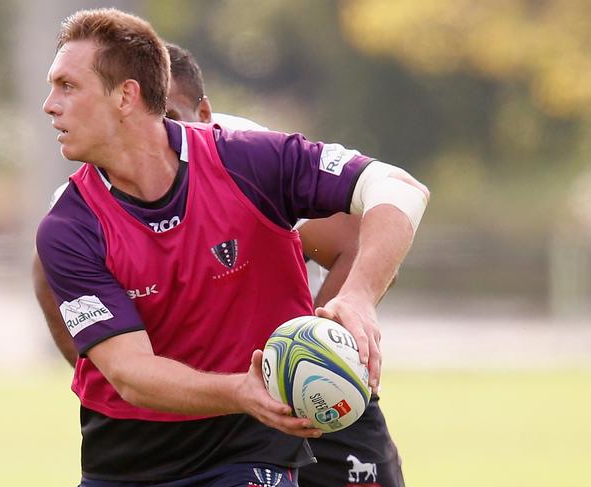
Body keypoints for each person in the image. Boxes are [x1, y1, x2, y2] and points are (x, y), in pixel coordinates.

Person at [36, 8, 428, 487]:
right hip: (127, 462)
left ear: (126, 95)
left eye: (67, 86)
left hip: (248, 451)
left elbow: (400, 190)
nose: (49, 105)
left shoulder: (249, 161)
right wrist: (242, 389)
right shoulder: (70, 226)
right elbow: (130, 373)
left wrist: (359, 297)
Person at [163, 43, 407, 487]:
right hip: (202, 415)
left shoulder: (248, 161)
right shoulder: (95, 188)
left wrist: (314, 346)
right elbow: (50, 274)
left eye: (170, 118)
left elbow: (352, 241)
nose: (159, 136)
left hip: (303, 388)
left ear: (204, 113)